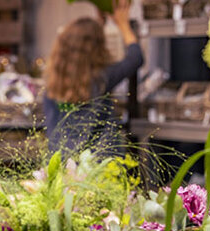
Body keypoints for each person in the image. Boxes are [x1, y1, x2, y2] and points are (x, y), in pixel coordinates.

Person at [42, 0, 144, 156]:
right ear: (97, 48)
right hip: (99, 166)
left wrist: (99, 23)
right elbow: (135, 58)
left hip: (62, 163)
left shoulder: (52, 83)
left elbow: (83, 42)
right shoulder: (100, 79)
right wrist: (123, 25)